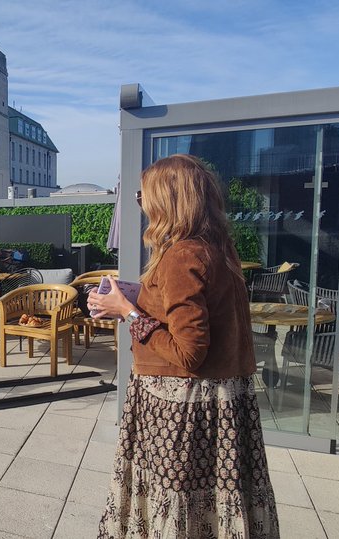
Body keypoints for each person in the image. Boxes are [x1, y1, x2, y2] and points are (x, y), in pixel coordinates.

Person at [91, 154, 279, 538]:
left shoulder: (182, 256)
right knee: (211, 502)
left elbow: (188, 353)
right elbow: (187, 317)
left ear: (168, 200)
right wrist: (134, 300)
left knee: (177, 501)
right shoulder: (217, 250)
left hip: (184, 409)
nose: (141, 204)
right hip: (221, 402)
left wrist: (127, 312)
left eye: (144, 196)